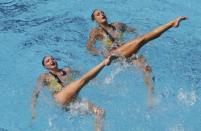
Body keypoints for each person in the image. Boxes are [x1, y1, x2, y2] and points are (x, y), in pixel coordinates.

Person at [87, 9, 187, 104]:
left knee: (147, 68)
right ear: (95, 20)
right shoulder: (96, 32)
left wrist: (136, 35)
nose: (102, 14)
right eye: (98, 14)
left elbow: (133, 30)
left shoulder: (118, 25)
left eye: (102, 12)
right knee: (142, 39)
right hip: (115, 56)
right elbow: (89, 48)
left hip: (128, 51)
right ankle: (172, 23)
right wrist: (102, 53)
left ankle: (151, 96)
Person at [32, 55, 113, 131]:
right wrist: (33, 110)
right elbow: (35, 93)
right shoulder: (44, 76)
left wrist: (98, 82)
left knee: (100, 112)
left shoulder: (67, 70)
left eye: (52, 59)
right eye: (48, 61)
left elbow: (81, 74)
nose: (51, 61)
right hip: (61, 99)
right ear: (45, 66)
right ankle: (103, 63)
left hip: (74, 102)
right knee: (82, 80)